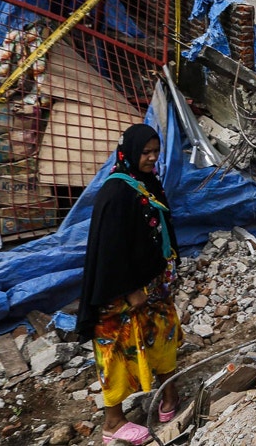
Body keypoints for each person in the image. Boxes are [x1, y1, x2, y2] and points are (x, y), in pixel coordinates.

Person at [78, 125, 181, 445]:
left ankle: (169, 396)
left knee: (162, 334)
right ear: (129, 152)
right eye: (145, 152)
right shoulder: (115, 193)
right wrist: (129, 289)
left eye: (155, 152)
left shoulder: (145, 182)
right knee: (117, 347)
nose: (152, 158)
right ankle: (112, 422)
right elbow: (108, 249)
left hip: (153, 283)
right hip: (121, 291)